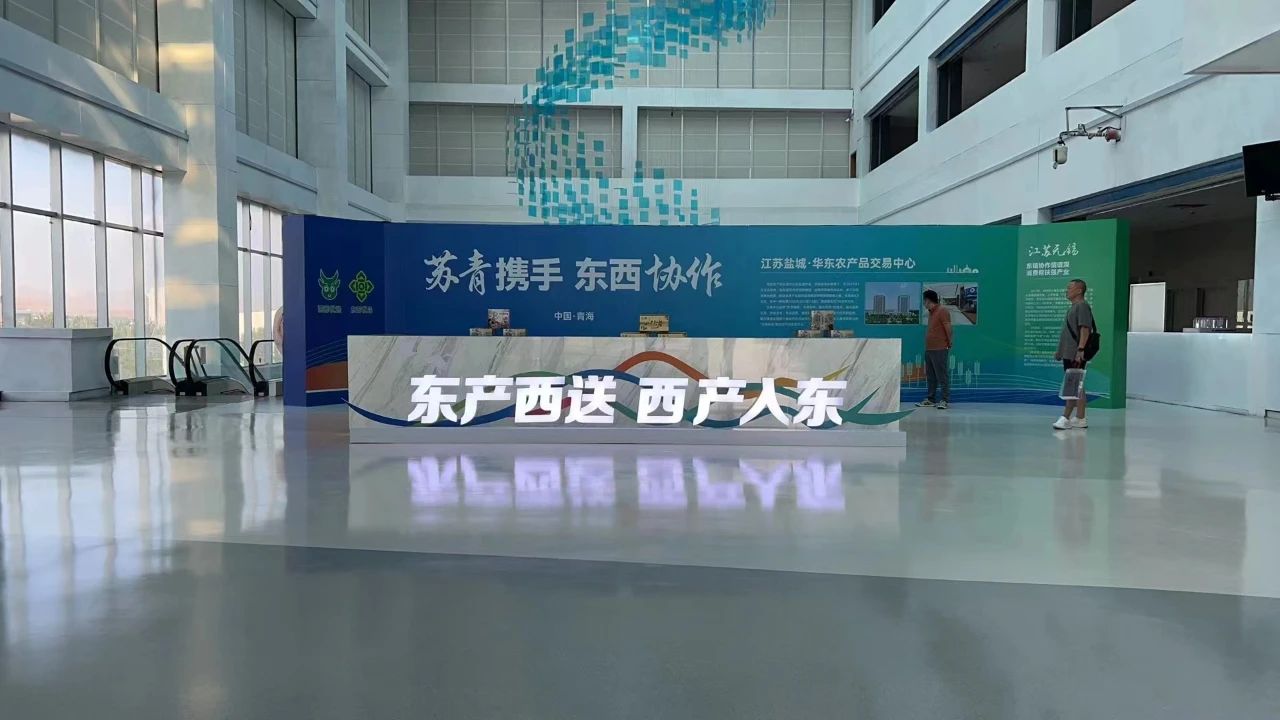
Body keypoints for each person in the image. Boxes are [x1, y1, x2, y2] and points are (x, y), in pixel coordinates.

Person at [1053, 279, 1095, 430]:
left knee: (1072, 384)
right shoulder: (1074, 307)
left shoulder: (1082, 306)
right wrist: (1060, 352)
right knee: (1077, 385)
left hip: (1075, 353)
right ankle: (1080, 418)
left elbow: (1085, 329)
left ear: (1079, 290)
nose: (1067, 290)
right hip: (1069, 352)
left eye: (1070, 287)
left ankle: (1066, 417)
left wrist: (1080, 350)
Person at [917, 289, 953, 410]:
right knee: (931, 376)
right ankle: (931, 399)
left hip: (940, 348)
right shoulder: (931, 313)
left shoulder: (942, 311)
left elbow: (948, 327)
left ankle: (944, 400)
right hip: (929, 349)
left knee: (942, 375)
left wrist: (949, 342)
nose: (923, 303)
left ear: (928, 300)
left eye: (924, 301)